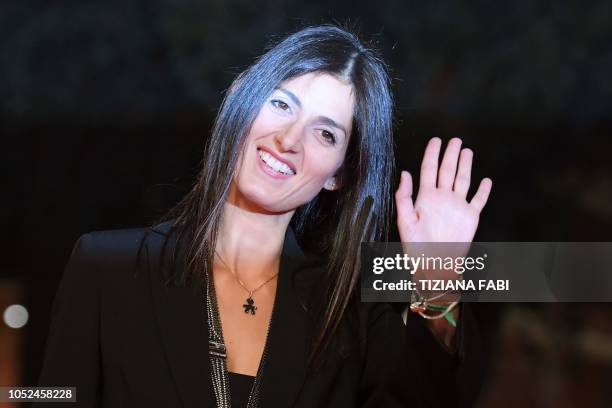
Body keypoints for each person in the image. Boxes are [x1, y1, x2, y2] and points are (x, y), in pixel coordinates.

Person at [37, 24, 492, 407]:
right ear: (240, 99)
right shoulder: (107, 268)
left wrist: (438, 282)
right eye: (281, 104)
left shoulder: (349, 311)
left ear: (338, 175)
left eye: (326, 134)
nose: (289, 139)